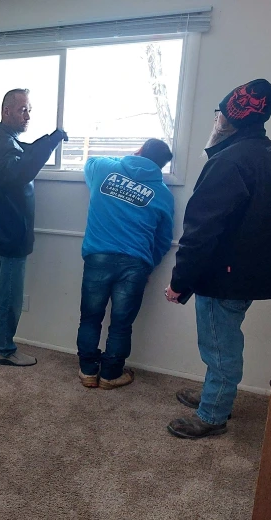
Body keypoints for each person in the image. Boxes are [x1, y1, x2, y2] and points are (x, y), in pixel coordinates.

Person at [165, 79, 271, 439]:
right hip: (247, 270)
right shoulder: (270, 153)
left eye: (219, 112)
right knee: (222, 340)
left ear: (229, 118)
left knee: (219, 346)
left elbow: (201, 231)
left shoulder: (229, 160)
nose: (216, 118)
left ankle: (213, 414)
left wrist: (179, 282)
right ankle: (215, 395)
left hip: (225, 274)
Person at [0, 89, 68, 367]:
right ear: (6, 111)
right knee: (7, 297)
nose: (28, 116)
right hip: (7, 236)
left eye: (29, 110)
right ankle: (4, 349)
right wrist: (52, 142)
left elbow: (24, 153)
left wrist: (50, 139)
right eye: (23, 110)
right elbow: (21, 171)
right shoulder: (5, 146)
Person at [76, 140, 175, 389]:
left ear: (139, 150)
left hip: (98, 257)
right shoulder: (163, 193)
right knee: (121, 324)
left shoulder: (104, 169)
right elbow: (163, 239)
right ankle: (110, 375)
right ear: (161, 166)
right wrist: (149, 265)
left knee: (90, 318)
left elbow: (89, 162)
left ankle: (88, 371)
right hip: (135, 264)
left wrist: (126, 161)